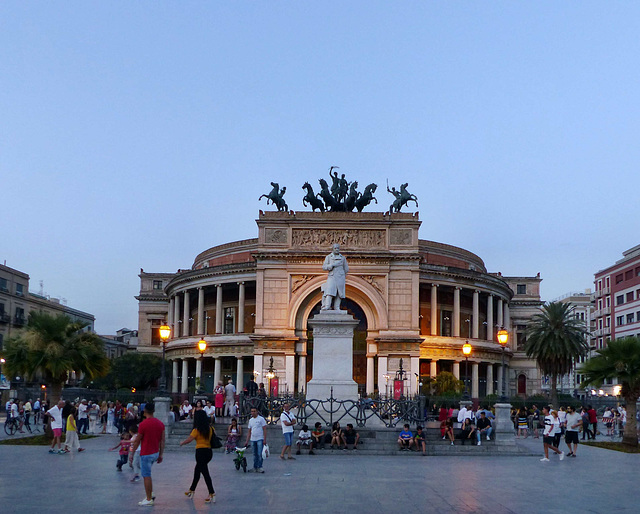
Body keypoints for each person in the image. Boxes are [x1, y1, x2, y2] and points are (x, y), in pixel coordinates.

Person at [131, 402, 165, 507]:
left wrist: (132, 452)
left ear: (144, 411)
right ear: (154, 411)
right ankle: (150, 492)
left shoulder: (143, 424)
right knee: (148, 474)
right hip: (155, 452)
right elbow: (162, 440)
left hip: (146, 453)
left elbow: (137, 440)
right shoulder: (160, 424)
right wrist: (161, 454)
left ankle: (149, 498)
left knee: (146, 475)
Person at [180, 410, 216, 504]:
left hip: (200, 452)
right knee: (197, 471)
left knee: (205, 473)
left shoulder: (196, 430)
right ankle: (191, 490)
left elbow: (190, 439)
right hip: (208, 452)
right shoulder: (210, 428)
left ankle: (211, 493)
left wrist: (182, 443)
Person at [320, 243, 349, 311]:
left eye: (338, 248)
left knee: (339, 292)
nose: (337, 249)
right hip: (332, 276)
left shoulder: (342, 258)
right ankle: (327, 306)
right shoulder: (329, 257)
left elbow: (346, 268)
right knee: (329, 291)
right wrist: (330, 266)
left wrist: (342, 275)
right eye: (335, 248)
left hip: (340, 277)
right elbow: (324, 267)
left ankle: (337, 307)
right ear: (332, 249)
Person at [244, 407, 267, 473]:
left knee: (260, 454)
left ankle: (260, 466)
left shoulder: (261, 419)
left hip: (260, 438)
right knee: (254, 454)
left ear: (257, 412)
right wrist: (247, 441)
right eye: (252, 411)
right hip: (253, 439)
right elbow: (249, 431)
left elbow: (264, 429)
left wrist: (264, 439)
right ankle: (255, 466)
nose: (253, 413)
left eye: (254, 411)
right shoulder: (250, 420)